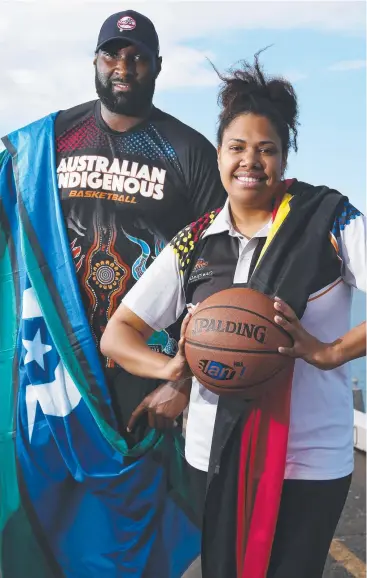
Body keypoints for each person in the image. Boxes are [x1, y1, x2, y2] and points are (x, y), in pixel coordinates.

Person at [101, 52, 366, 578]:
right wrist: (173, 369)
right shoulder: (195, 241)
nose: (251, 161)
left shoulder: (330, 220)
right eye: (237, 147)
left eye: (266, 150)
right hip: (214, 452)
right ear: (219, 155)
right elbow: (118, 335)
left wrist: (331, 351)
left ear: (285, 159)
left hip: (310, 458)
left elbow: (329, 347)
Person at [0, 9, 224, 578]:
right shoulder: (47, 143)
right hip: (57, 368)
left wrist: (185, 377)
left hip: (144, 372)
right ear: (96, 63)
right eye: (112, 55)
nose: (123, 66)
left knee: (134, 528)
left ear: (156, 67)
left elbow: (219, 274)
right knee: (52, 506)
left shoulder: (189, 152)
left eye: (137, 56)